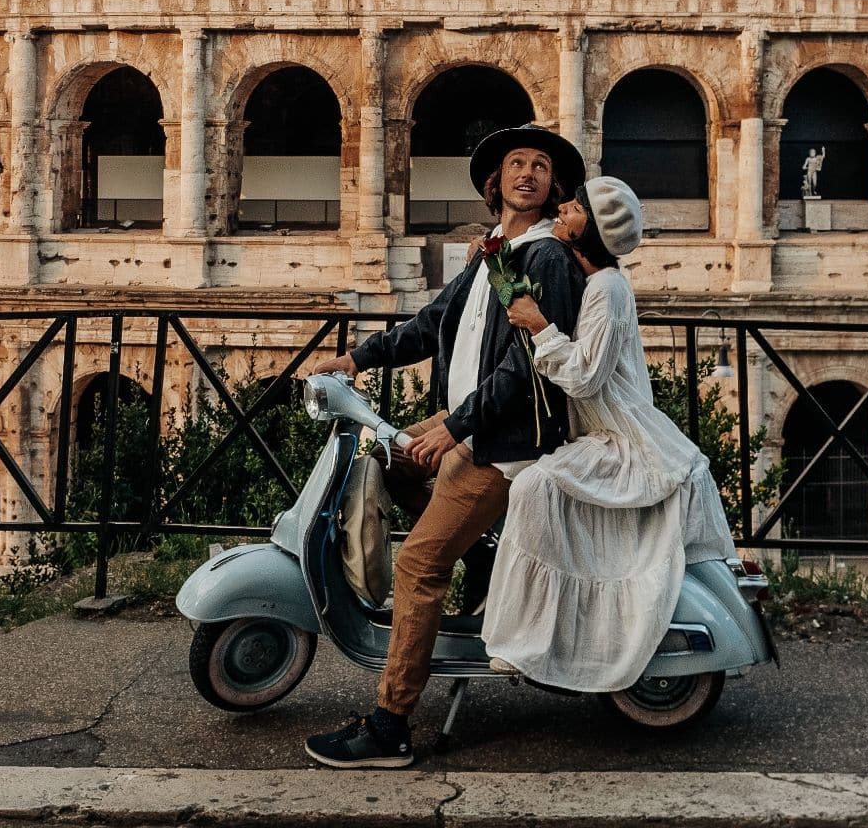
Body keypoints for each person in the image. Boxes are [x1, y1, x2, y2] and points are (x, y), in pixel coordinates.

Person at [296, 125, 586, 769]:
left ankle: (391, 724)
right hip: (469, 427)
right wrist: (353, 359)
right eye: (517, 162)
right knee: (388, 454)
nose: (529, 173)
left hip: (503, 446)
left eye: (541, 166)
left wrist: (455, 430)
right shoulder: (494, 254)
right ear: (496, 182)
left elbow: (528, 367)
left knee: (418, 568)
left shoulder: (546, 259)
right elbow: (431, 324)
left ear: (553, 186)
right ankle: (484, 557)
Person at [480, 176, 738, 692]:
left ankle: (525, 641)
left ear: (591, 230)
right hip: (602, 433)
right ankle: (538, 628)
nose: (564, 209)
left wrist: (537, 325)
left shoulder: (608, 288)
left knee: (535, 487)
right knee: (537, 487)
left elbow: (584, 376)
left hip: (623, 441)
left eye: (575, 208)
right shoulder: (594, 280)